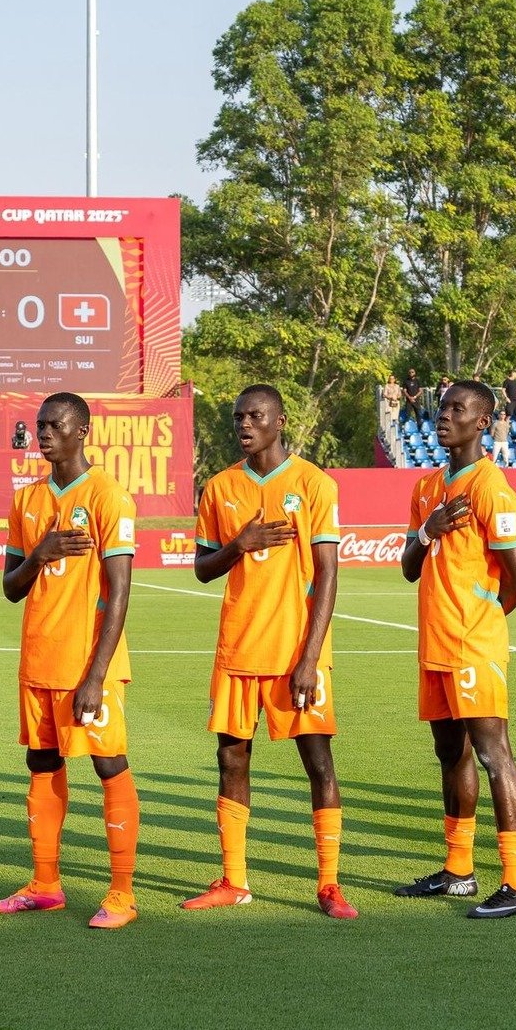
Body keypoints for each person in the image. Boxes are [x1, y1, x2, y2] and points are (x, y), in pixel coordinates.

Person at [186, 385, 354, 917]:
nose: (245, 424)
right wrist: (240, 544)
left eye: (256, 416)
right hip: (238, 648)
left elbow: (327, 572)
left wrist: (311, 657)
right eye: (239, 417)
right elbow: (203, 568)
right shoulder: (219, 487)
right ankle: (234, 879)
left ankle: (329, 884)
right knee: (231, 759)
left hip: (294, 652)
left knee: (318, 761)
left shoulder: (313, 484)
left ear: (279, 421)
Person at [0, 392, 142, 928]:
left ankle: (122, 893)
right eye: (39, 425)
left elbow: (120, 591)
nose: (44, 433)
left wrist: (97, 674)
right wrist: (39, 554)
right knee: (41, 765)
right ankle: (45, 883)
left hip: (87, 665)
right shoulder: (26, 500)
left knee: (109, 766)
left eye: (55, 425)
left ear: (83, 431)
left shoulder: (108, 496)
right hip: (38, 660)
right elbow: (10, 587)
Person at [394, 379, 516, 919]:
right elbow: (409, 567)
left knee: (493, 755)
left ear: (482, 422)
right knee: (449, 754)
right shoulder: (429, 487)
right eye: (444, 407)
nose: (445, 415)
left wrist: (482, 621)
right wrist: (427, 532)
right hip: (434, 643)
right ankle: (458, 872)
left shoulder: (491, 488)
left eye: (459, 409)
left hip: (473, 644)